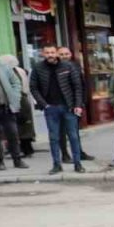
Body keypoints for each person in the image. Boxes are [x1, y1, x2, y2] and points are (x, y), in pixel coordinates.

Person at [30, 45, 86, 174]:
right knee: (54, 138)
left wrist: (77, 105)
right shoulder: (38, 68)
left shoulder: (68, 66)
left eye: (52, 52)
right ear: (43, 54)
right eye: (47, 52)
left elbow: (77, 87)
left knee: (73, 136)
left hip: (69, 107)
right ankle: (56, 165)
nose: (50, 55)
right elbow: (33, 87)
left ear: (57, 54)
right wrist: (44, 104)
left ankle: (78, 164)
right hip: (51, 108)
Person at [0, 45, 28, 170]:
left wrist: (15, 97)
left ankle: (17, 160)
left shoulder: (1, 66)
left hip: (7, 107)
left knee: (13, 134)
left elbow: (16, 82)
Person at [0, 54, 36, 157]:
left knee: (19, 125)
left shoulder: (10, 72)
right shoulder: (21, 70)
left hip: (17, 100)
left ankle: (19, 150)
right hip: (23, 98)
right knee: (25, 125)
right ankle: (27, 149)